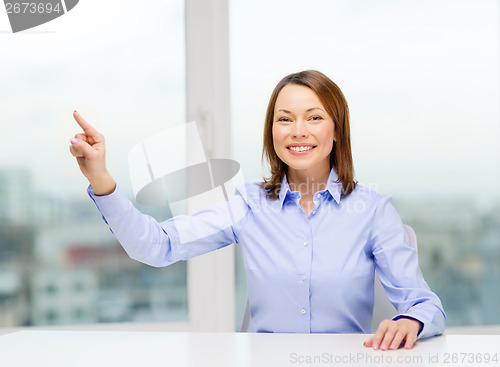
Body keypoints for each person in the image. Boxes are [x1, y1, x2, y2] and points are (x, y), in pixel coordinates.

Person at [69, 70, 445, 350]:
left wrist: (411, 319)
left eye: (314, 117)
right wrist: (101, 177)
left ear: (336, 130)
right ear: (272, 133)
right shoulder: (247, 205)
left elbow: (425, 304)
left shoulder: (373, 210)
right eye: (285, 119)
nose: (298, 130)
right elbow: (155, 246)